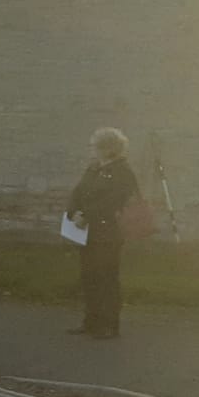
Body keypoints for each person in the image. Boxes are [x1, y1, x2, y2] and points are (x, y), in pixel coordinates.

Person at [67, 127, 141, 339]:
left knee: (106, 278)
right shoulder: (94, 168)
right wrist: (74, 212)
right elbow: (78, 191)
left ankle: (109, 326)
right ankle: (91, 322)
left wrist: (87, 215)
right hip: (87, 230)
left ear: (109, 148)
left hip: (107, 232)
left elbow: (113, 201)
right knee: (89, 276)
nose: (92, 149)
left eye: (96, 146)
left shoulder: (123, 172)